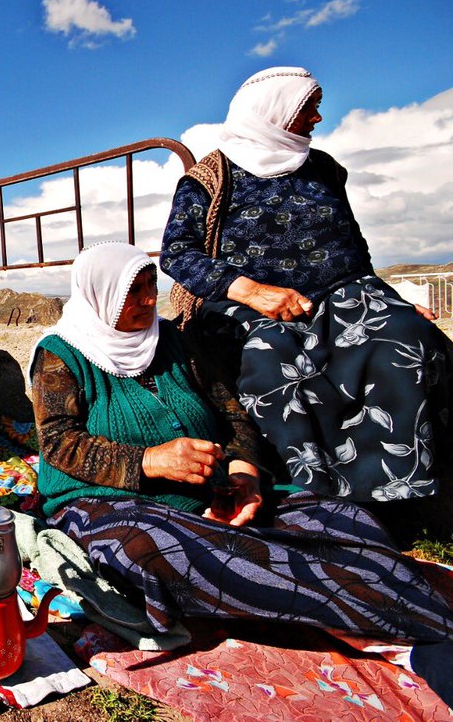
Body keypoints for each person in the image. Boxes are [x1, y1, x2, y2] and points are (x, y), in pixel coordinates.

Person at [31, 242, 453, 673]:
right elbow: (59, 443)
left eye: (149, 285)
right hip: (107, 502)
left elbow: (231, 412)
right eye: (131, 292)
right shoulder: (61, 354)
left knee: (338, 517)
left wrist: (243, 474)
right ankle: (401, 630)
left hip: (207, 487)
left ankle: (390, 606)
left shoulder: (171, 339)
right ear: (98, 295)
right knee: (160, 552)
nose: (148, 299)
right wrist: (150, 461)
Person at [161, 66, 451, 506]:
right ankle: (312, 495)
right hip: (241, 301)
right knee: (270, 349)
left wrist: (392, 303)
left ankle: (404, 487)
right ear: (272, 112)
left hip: (338, 294)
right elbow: (177, 254)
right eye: (308, 109)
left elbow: (354, 251)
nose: (317, 119)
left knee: (404, 336)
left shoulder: (324, 170)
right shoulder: (210, 176)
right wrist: (253, 291)